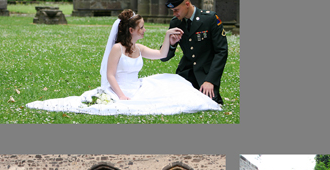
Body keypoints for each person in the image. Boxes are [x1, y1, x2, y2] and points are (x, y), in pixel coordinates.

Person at [26, 9, 222, 115]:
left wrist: (168, 37)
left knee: (175, 83)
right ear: (132, 30)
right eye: (142, 27)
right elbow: (110, 75)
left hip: (138, 86)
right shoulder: (117, 49)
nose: (145, 30)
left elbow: (162, 54)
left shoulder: (138, 49)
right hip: (120, 90)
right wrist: (121, 95)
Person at [161, 0, 228, 104]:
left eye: (176, 10)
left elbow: (221, 51)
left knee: (207, 103)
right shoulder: (176, 23)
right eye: (172, 11)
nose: (174, 14)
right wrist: (171, 44)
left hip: (205, 76)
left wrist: (210, 80)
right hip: (185, 74)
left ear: (187, 4)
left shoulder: (210, 19)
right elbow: (164, 57)